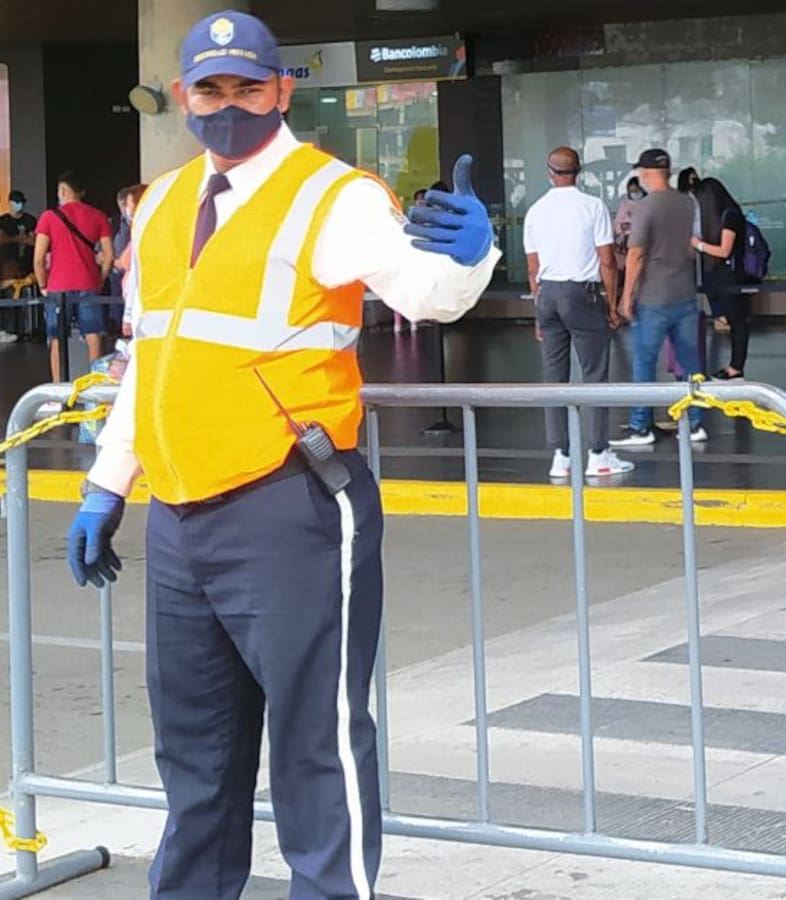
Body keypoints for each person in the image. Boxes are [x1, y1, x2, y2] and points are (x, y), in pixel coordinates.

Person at [63, 11, 498, 899]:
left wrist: (470, 257)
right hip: (182, 516)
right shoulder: (162, 203)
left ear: (281, 89)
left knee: (317, 749)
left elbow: (425, 292)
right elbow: (150, 353)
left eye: (248, 89)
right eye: (212, 91)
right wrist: (109, 484)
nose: (230, 107)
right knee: (196, 758)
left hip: (290, 504)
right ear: (183, 95)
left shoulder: (335, 194)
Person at [524, 146, 632, 479]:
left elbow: (533, 269)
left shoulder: (536, 211)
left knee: (553, 378)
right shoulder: (593, 206)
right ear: (579, 171)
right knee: (594, 374)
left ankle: (560, 456)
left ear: (549, 172)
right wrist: (612, 305)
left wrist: (538, 313)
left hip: (548, 295)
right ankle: (598, 452)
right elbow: (608, 261)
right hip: (582, 295)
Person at [610, 148, 706, 447]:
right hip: (685, 294)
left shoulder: (645, 207)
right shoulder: (687, 203)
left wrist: (625, 297)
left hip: (653, 297)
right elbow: (691, 247)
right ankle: (694, 424)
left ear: (646, 173)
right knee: (690, 364)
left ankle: (641, 427)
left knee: (644, 363)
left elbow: (636, 254)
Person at [34, 171, 114, 382]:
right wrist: (100, 280)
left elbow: (38, 259)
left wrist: (43, 283)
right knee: (93, 334)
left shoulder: (49, 217)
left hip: (57, 286)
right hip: (88, 283)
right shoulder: (98, 216)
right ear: (82, 192)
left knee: (57, 338)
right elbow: (109, 256)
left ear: (62, 191)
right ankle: (94, 386)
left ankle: (58, 388)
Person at [693, 177, 748, 380]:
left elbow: (724, 250)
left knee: (738, 321)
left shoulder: (730, 216)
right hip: (726, 274)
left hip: (732, 274)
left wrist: (698, 245)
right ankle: (735, 364)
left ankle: (736, 366)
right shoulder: (726, 215)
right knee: (735, 320)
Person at [110, 184, 147, 333]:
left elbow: (133, 275)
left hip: (140, 307)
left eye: (129, 205)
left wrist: (127, 316)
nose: (127, 210)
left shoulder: (141, 236)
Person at [0, 190, 38, 279]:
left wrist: (12, 239)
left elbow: (34, 240)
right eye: (16, 202)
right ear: (10, 203)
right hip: (8, 262)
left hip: (27, 262)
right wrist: (19, 238)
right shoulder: (3, 220)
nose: (19, 205)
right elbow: (2, 239)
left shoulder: (30, 220)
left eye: (21, 202)